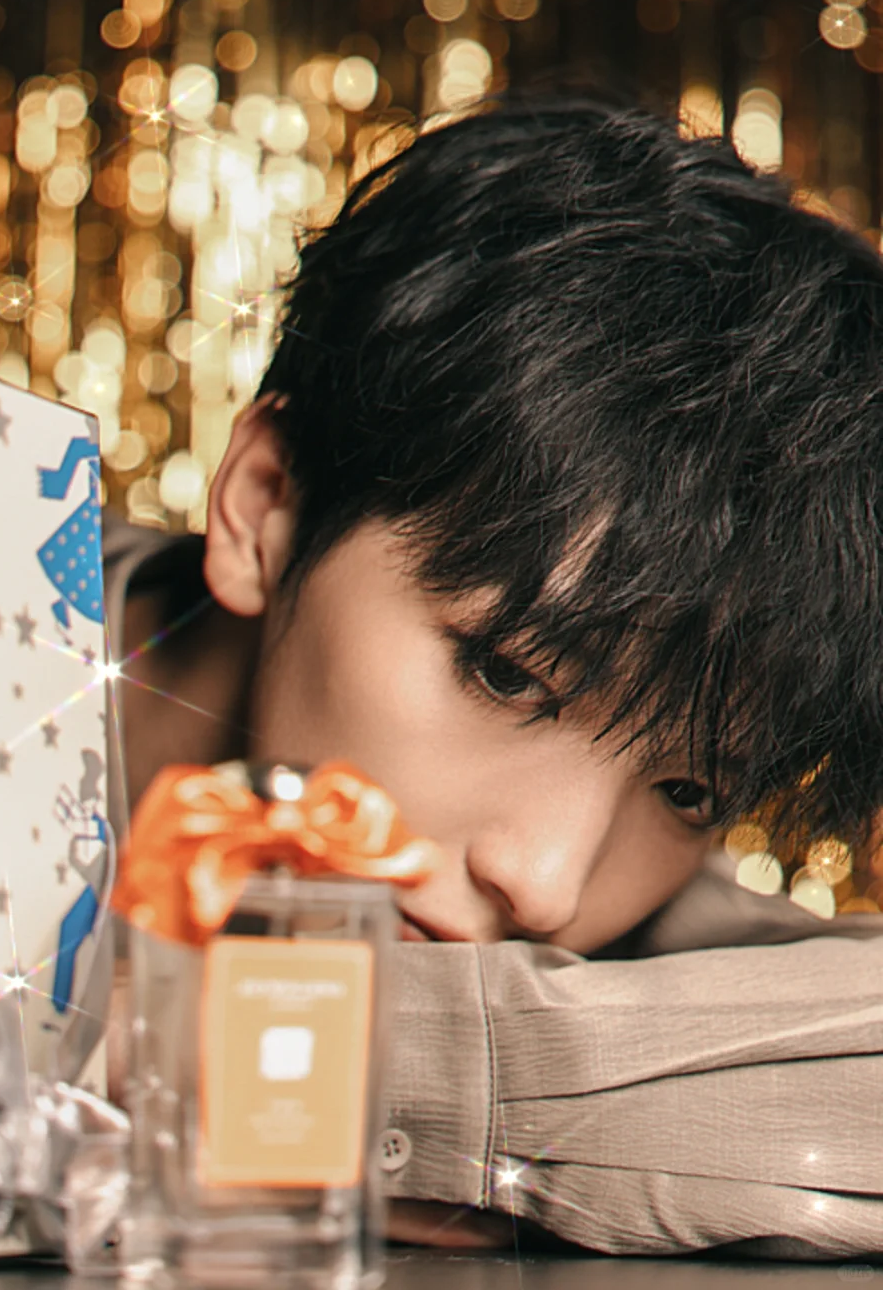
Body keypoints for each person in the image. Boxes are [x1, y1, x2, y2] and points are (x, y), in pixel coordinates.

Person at [103, 92, 883, 1258]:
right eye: (510, 675)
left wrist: (266, 1056)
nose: (548, 886)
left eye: (689, 791)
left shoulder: (623, 913)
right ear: (265, 506)